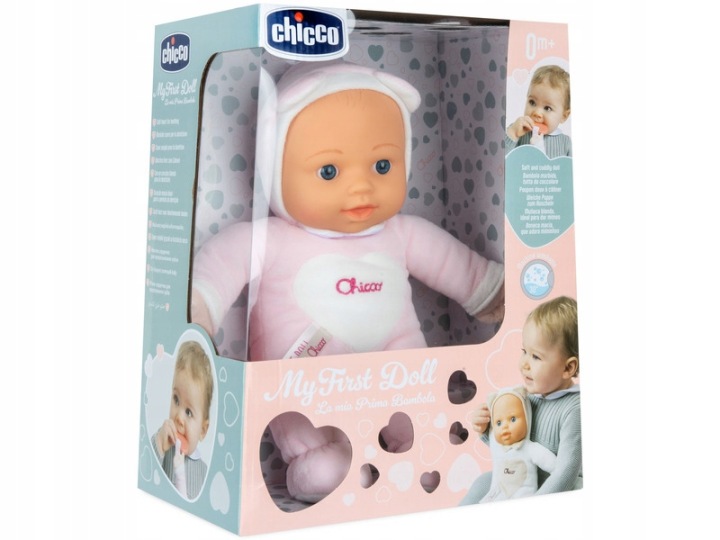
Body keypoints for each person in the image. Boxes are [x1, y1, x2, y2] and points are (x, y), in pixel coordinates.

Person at [190, 61, 505, 503]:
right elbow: (220, 266)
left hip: (399, 366)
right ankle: (324, 464)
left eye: (382, 165)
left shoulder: (401, 233)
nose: (361, 188)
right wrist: (199, 309)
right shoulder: (270, 241)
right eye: (329, 172)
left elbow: (458, 267)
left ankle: (420, 449)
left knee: (422, 418)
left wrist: (496, 293)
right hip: (302, 384)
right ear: (274, 166)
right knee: (317, 449)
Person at [461, 296, 581, 504]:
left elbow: (566, 472)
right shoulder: (528, 398)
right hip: (526, 477)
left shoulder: (575, 408)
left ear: (568, 368)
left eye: (536, 357)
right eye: (525, 352)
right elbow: (515, 447)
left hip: (560, 488)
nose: (524, 363)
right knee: (483, 482)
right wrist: (487, 429)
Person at [152, 341, 214, 500]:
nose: (179, 417)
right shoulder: (162, 444)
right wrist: (159, 444)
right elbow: (147, 473)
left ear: (202, 430)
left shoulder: (204, 473)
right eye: (176, 399)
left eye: (188, 412)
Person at [479, 386, 556, 502]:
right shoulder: (497, 448)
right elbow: (486, 434)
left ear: (527, 419)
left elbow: (555, 466)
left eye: (513, 419)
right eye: (499, 423)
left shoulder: (530, 449)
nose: (505, 426)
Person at [505, 65, 571, 158]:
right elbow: (498, 160)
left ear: (564, 116)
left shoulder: (566, 143)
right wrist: (512, 133)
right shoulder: (518, 131)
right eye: (532, 102)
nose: (537, 113)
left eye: (547, 108)